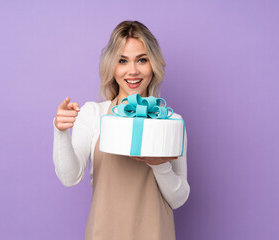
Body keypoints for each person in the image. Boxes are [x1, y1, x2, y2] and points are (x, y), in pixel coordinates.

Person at [53, 20, 190, 240]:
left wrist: (160, 165)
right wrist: (61, 132)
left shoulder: (171, 121)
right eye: (123, 60)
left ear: (153, 64)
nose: (133, 71)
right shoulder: (93, 114)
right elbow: (70, 177)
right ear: (112, 66)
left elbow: (179, 198)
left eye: (142, 60)